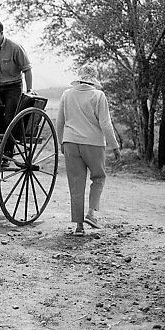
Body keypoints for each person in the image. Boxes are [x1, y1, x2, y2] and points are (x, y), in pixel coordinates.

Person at [55, 65, 121, 236]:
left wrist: (61, 141)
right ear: (93, 80)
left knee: (76, 184)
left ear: (80, 78)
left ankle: (78, 227)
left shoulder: (66, 94)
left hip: (70, 143)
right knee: (98, 177)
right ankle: (91, 214)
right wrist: (114, 145)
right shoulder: (98, 95)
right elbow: (105, 124)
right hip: (94, 143)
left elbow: (60, 121)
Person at [0, 19, 33, 156]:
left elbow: (27, 69)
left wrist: (29, 90)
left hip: (13, 87)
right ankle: (6, 143)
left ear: (1, 33)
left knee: (10, 120)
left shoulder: (15, 47)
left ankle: (7, 150)